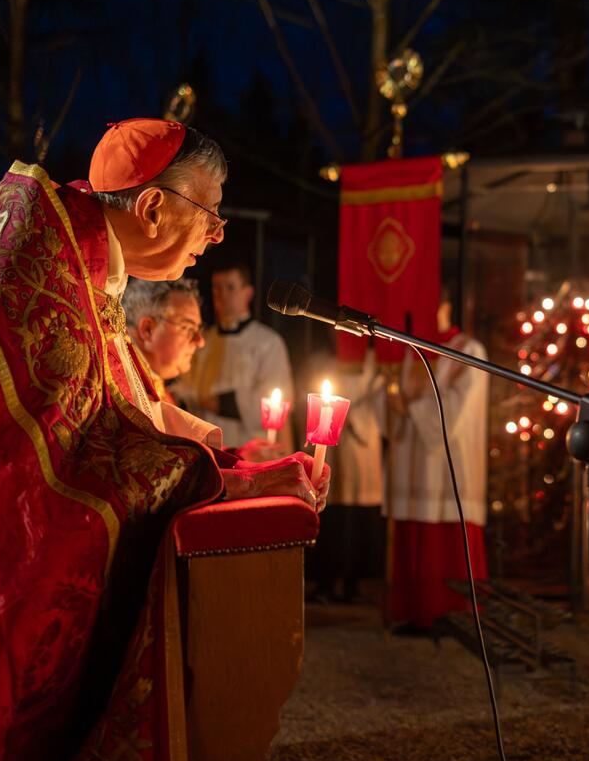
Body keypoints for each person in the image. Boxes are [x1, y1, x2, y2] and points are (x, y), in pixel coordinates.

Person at [0, 118, 329, 761]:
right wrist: (226, 479)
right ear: (153, 207)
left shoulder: (82, 255)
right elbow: (57, 474)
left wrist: (225, 461)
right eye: (211, 215)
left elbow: (112, 413)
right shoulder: (42, 272)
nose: (217, 235)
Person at [387, 293, 489, 629]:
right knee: (414, 532)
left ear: (445, 306)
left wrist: (411, 408)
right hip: (411, 458)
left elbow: (459, 406)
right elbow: (395, 399)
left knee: (446, 536)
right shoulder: (410, 349)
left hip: (448, 463)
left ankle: (451, 614)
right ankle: (414, 612)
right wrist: (393, 403)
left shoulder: (469, 350)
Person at [180, 262, 295, 451]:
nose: (222, 295)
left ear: (248, 293)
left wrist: (224, 403)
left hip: (251, 448)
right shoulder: (202, 340)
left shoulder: (268, 342)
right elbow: (186, 389)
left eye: (230, 287)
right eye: (217, 288)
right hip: (207, 449)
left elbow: (280, 403)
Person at [307, 346, 387, 602]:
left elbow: (380, 398)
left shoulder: (373, 362)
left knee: (356, 513)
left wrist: (347, 415)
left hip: (359, 444)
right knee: (330, 507)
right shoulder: (321, 360)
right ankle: (326, 579)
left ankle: (353, 582)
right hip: (332, 445)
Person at [122, 277, 205, 405]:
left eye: (198, 329)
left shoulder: (159, 391)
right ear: (148, 330)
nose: (200, 341)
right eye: (188, 328)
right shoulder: (118, 390)